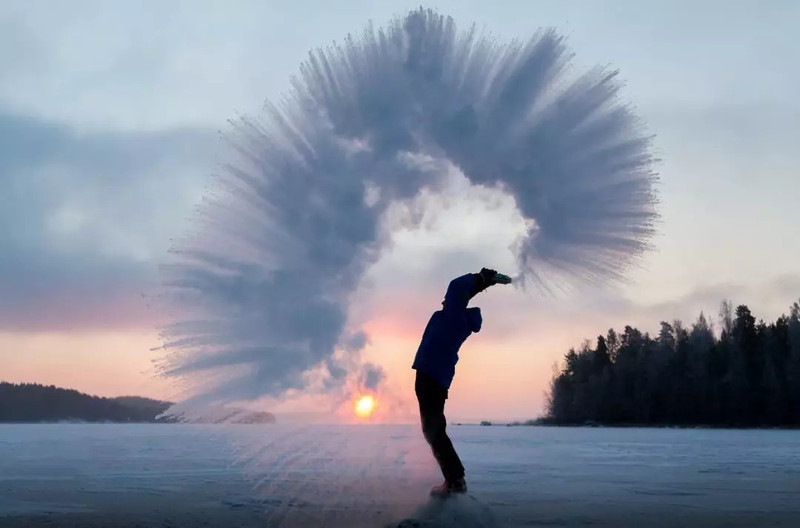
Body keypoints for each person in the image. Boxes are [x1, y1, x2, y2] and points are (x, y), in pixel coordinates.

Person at [411, 268, 510, 496]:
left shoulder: (454, 318)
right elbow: (460, 294)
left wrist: (481, 278)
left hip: (432, 378)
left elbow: (457, 288)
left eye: (447, 300)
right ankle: (454, 479)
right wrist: (483, 284)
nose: (443, 300)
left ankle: (455, 480)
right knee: (432, 429)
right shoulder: (455, 318)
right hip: (433, 377)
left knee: (434, 429)